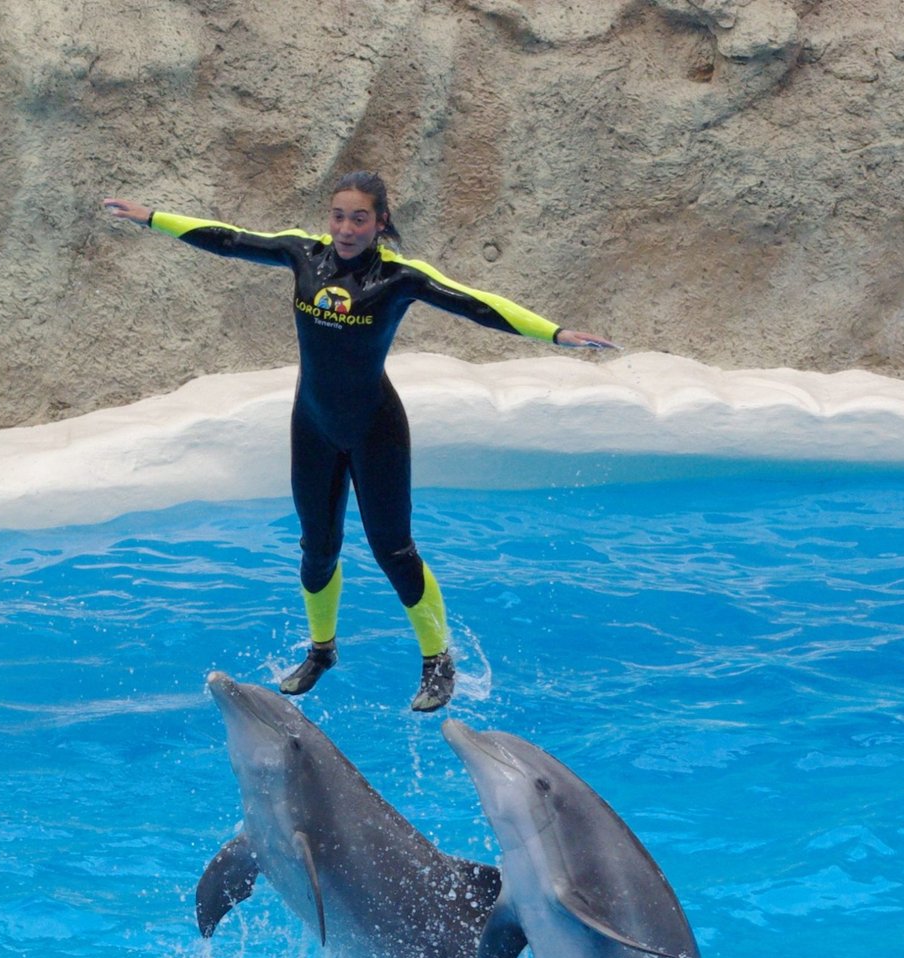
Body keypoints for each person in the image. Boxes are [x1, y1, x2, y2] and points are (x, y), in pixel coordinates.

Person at [103, 174, 616, 710]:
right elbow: (229, 238)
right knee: (316, 551)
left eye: (359, 219)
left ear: (380, 223)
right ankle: (322, 651)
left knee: (394, 552)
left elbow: (476, 304)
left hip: (376, 429)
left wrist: (555, 333)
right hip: (314, 426)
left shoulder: (398, 277)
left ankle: (438, 660)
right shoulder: (303, 255)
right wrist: (153, 218)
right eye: (338, 216)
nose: (346, 229)